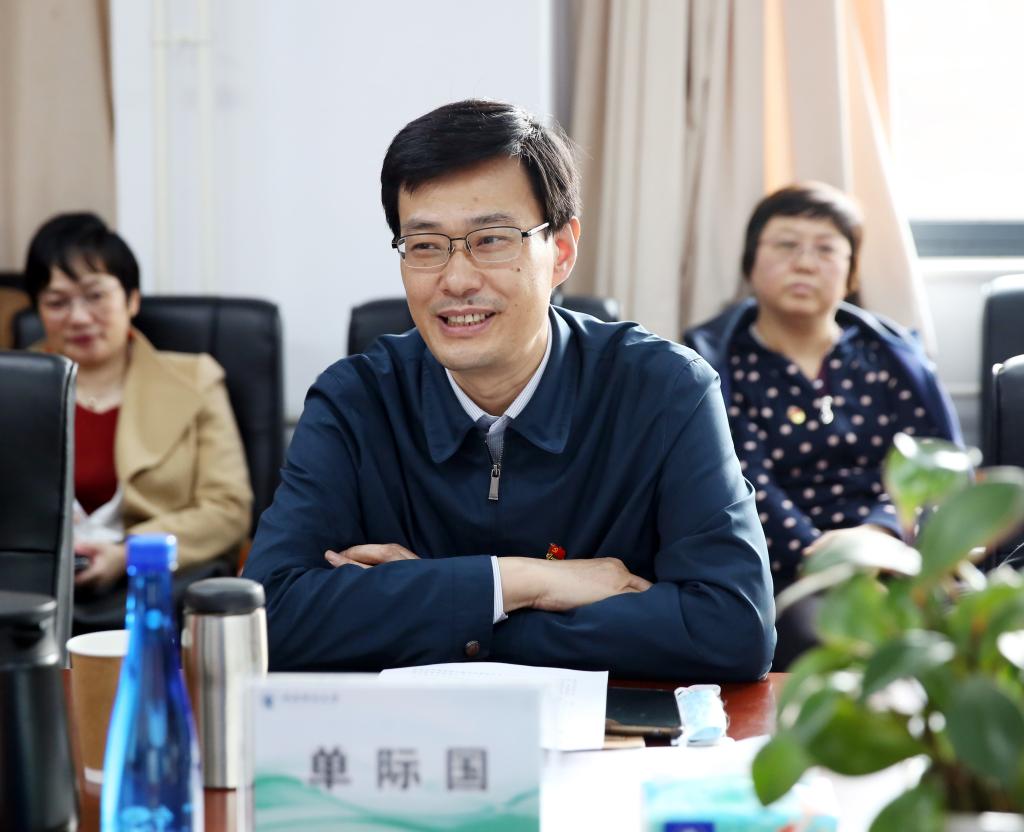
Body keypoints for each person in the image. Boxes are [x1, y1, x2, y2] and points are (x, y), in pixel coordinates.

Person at [243, 99, 775, 679]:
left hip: (606, 730)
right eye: (425, 245)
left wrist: (436, 605)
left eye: (492, 239)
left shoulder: (665, 390)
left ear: (562, 251)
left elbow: (734, 628)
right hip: (410, 729)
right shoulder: (356, 400)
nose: (456, 279)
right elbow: (268, 619)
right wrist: (523, 581)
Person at [685, 182, 961, 667]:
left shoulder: (889, 356)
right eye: (786, 245)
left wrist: (880, 536)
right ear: (750, 263)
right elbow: (740, 480)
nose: (805, 263)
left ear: (851, 272)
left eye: (826, 249)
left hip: (893, 549)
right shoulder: (719, 364)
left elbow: (928, 464)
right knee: (823, 634)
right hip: (778, 563)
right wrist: (822, 554)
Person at [24, 213, 252, 619]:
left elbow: (228, 509)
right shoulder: (13, 385)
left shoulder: (195, 380)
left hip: (156, 591)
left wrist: (128, 553)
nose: (78, 317)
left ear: (131, 299)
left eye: (94, 296)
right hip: (30, 597)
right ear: (38, 310)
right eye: (57, 302)